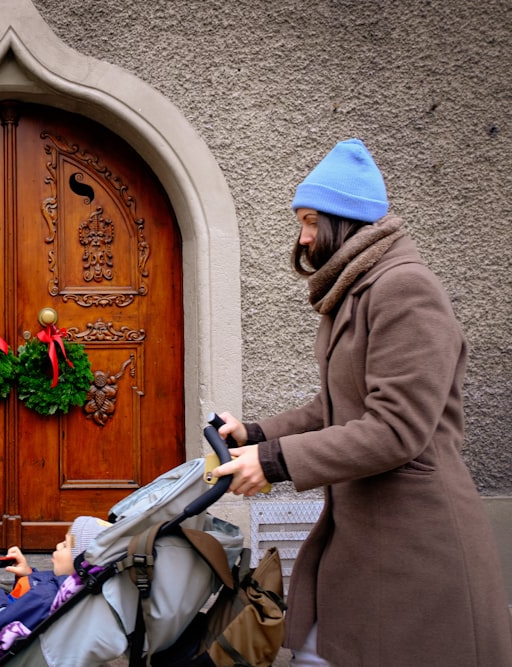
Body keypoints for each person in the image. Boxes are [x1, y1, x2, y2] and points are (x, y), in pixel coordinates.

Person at [211, 138, 512, 666]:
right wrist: (255, 435)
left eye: (309, 222)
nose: (303, 240)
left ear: (342, 221)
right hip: (366, 538)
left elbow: (397, 428)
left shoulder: (404, 290)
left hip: (417, 544)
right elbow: (333, 408)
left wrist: (275, 462)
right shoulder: (354, 292)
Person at [0, 515, 110, 636]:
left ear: (82, 565)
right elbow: (47, 584)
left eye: (65, 545)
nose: (58, 545)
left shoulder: (46, 597)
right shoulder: (73, 591)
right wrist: (28, 575)